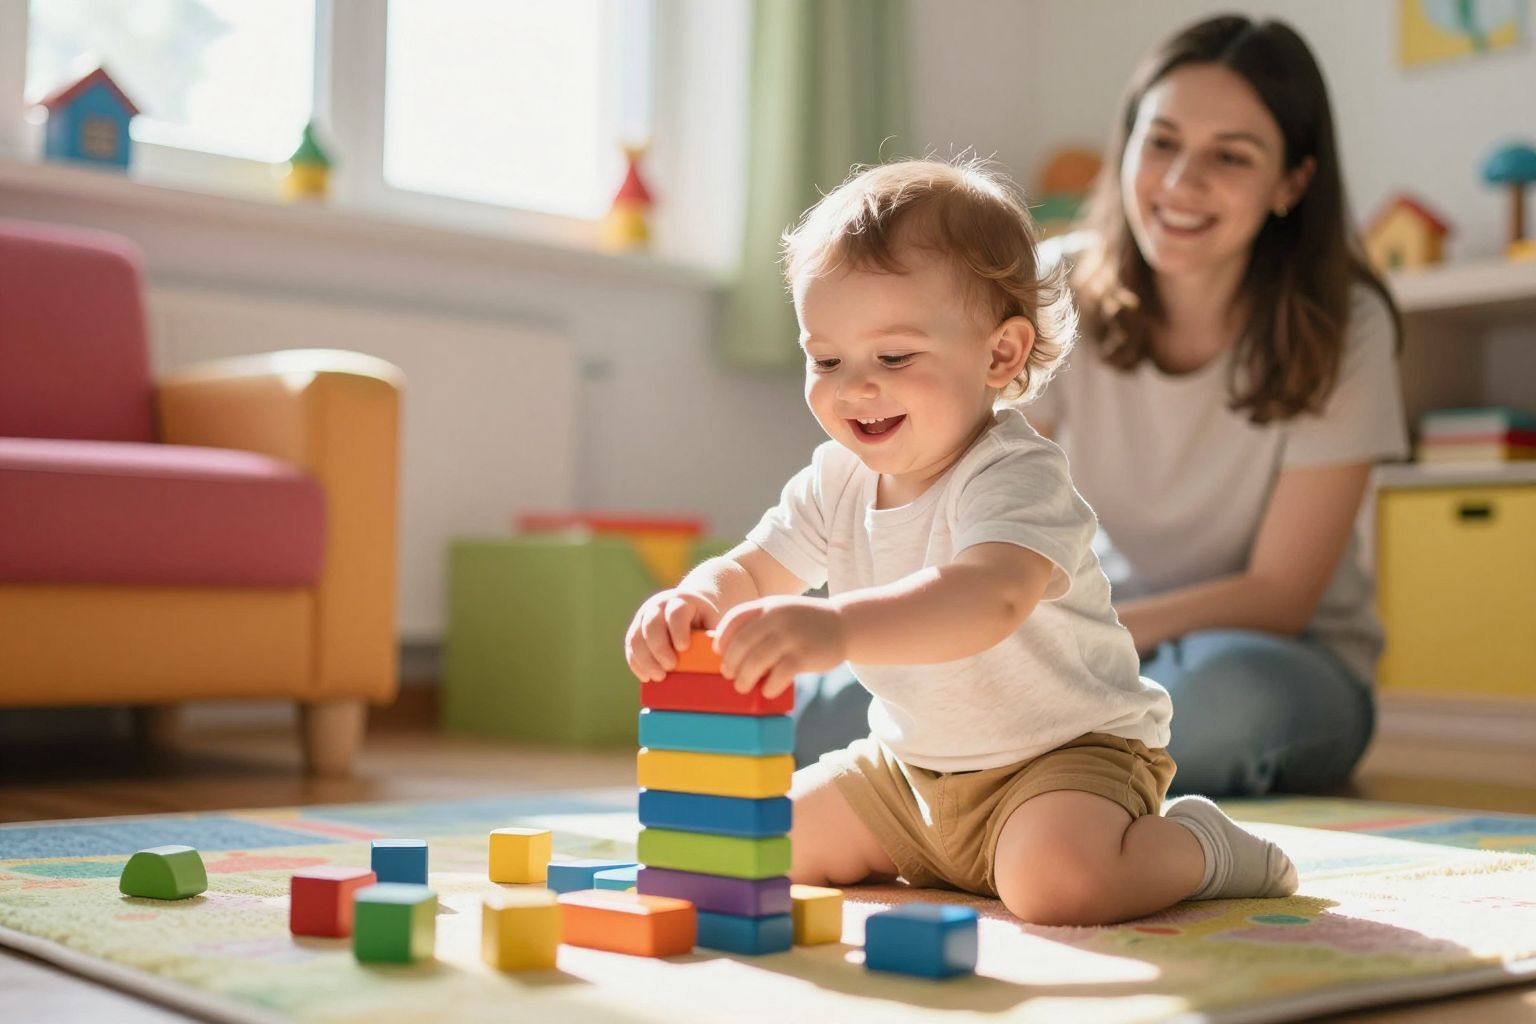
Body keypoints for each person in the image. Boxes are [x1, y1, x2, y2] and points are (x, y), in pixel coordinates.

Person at [624, 158, 1296, 926]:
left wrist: (838, 629)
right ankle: (934, 855)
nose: (853, 388)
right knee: (760, 837)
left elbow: (987, 597)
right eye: (826, 359)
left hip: (1064, 760)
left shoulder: (1015, 474)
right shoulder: (835, 478)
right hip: (907, 771)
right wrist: (695, 599)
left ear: (1002, 355)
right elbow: (755, 567)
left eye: (895, 357)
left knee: (1060, 888)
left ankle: (1205, 847)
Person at [794, 15, 1408, 799]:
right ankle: (1034, 778)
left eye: (1230, 156)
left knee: (1222, 709)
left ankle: (1038, 778)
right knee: (826, 712)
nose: (1182, 181)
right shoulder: (1055, 286)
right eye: (1161, 143)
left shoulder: (1344, 322)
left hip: (1269, 656)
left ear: (1292, 181)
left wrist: (1081, 643)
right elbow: (969, 475)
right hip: (1072, 631)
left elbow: (1280, 594)